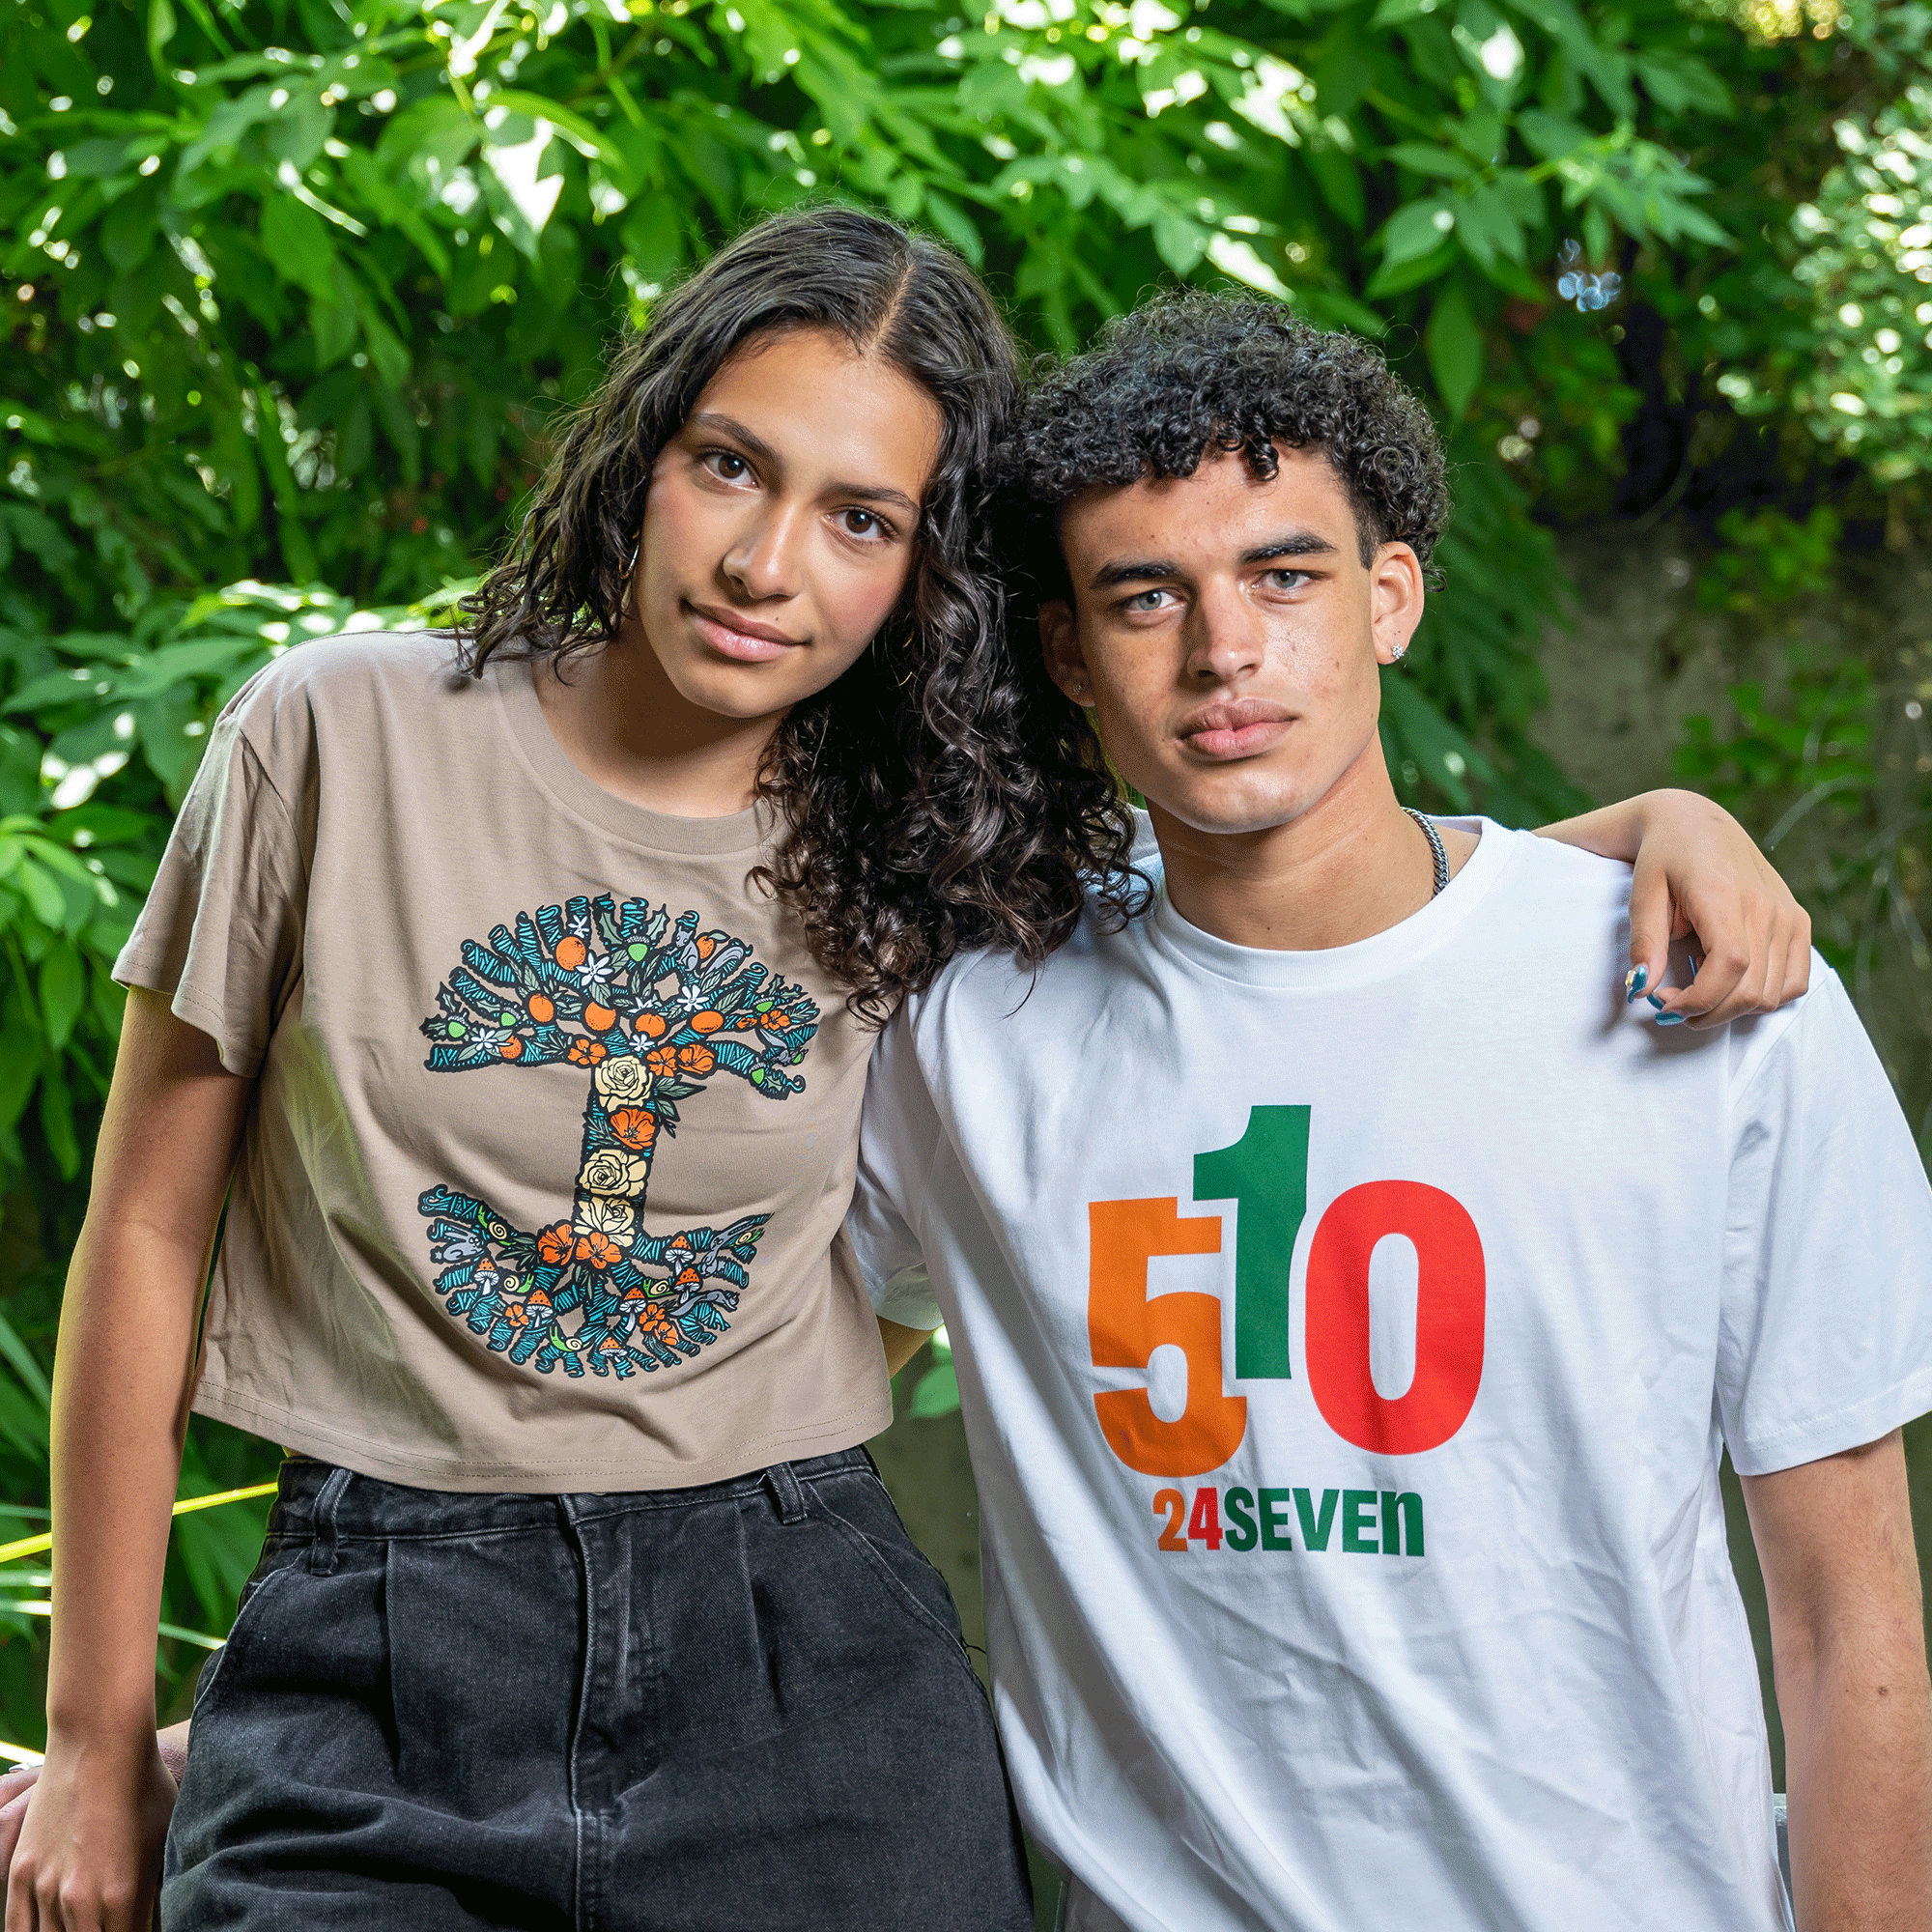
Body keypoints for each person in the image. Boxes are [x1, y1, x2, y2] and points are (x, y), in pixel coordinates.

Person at [1, 214, 1809, 1929]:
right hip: (373, 1611)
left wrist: (1654, 825)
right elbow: (145, 1233)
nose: (768, 565)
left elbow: (1304, 914)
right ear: (643, 451)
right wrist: (99, 1742)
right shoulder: (336, 732)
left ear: (925, 573)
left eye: (862, 518)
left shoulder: (935, 853)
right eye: (732, 464)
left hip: (798, 1655)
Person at [848, 294, 1932, 1932]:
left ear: (1390, 596)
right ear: (1069, 652)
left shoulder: (1711, 997)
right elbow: (768, 1374)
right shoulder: (969, 1038)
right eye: (1148, 598)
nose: (1225, 653)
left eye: (1284, 576)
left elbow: (1851, 1618)